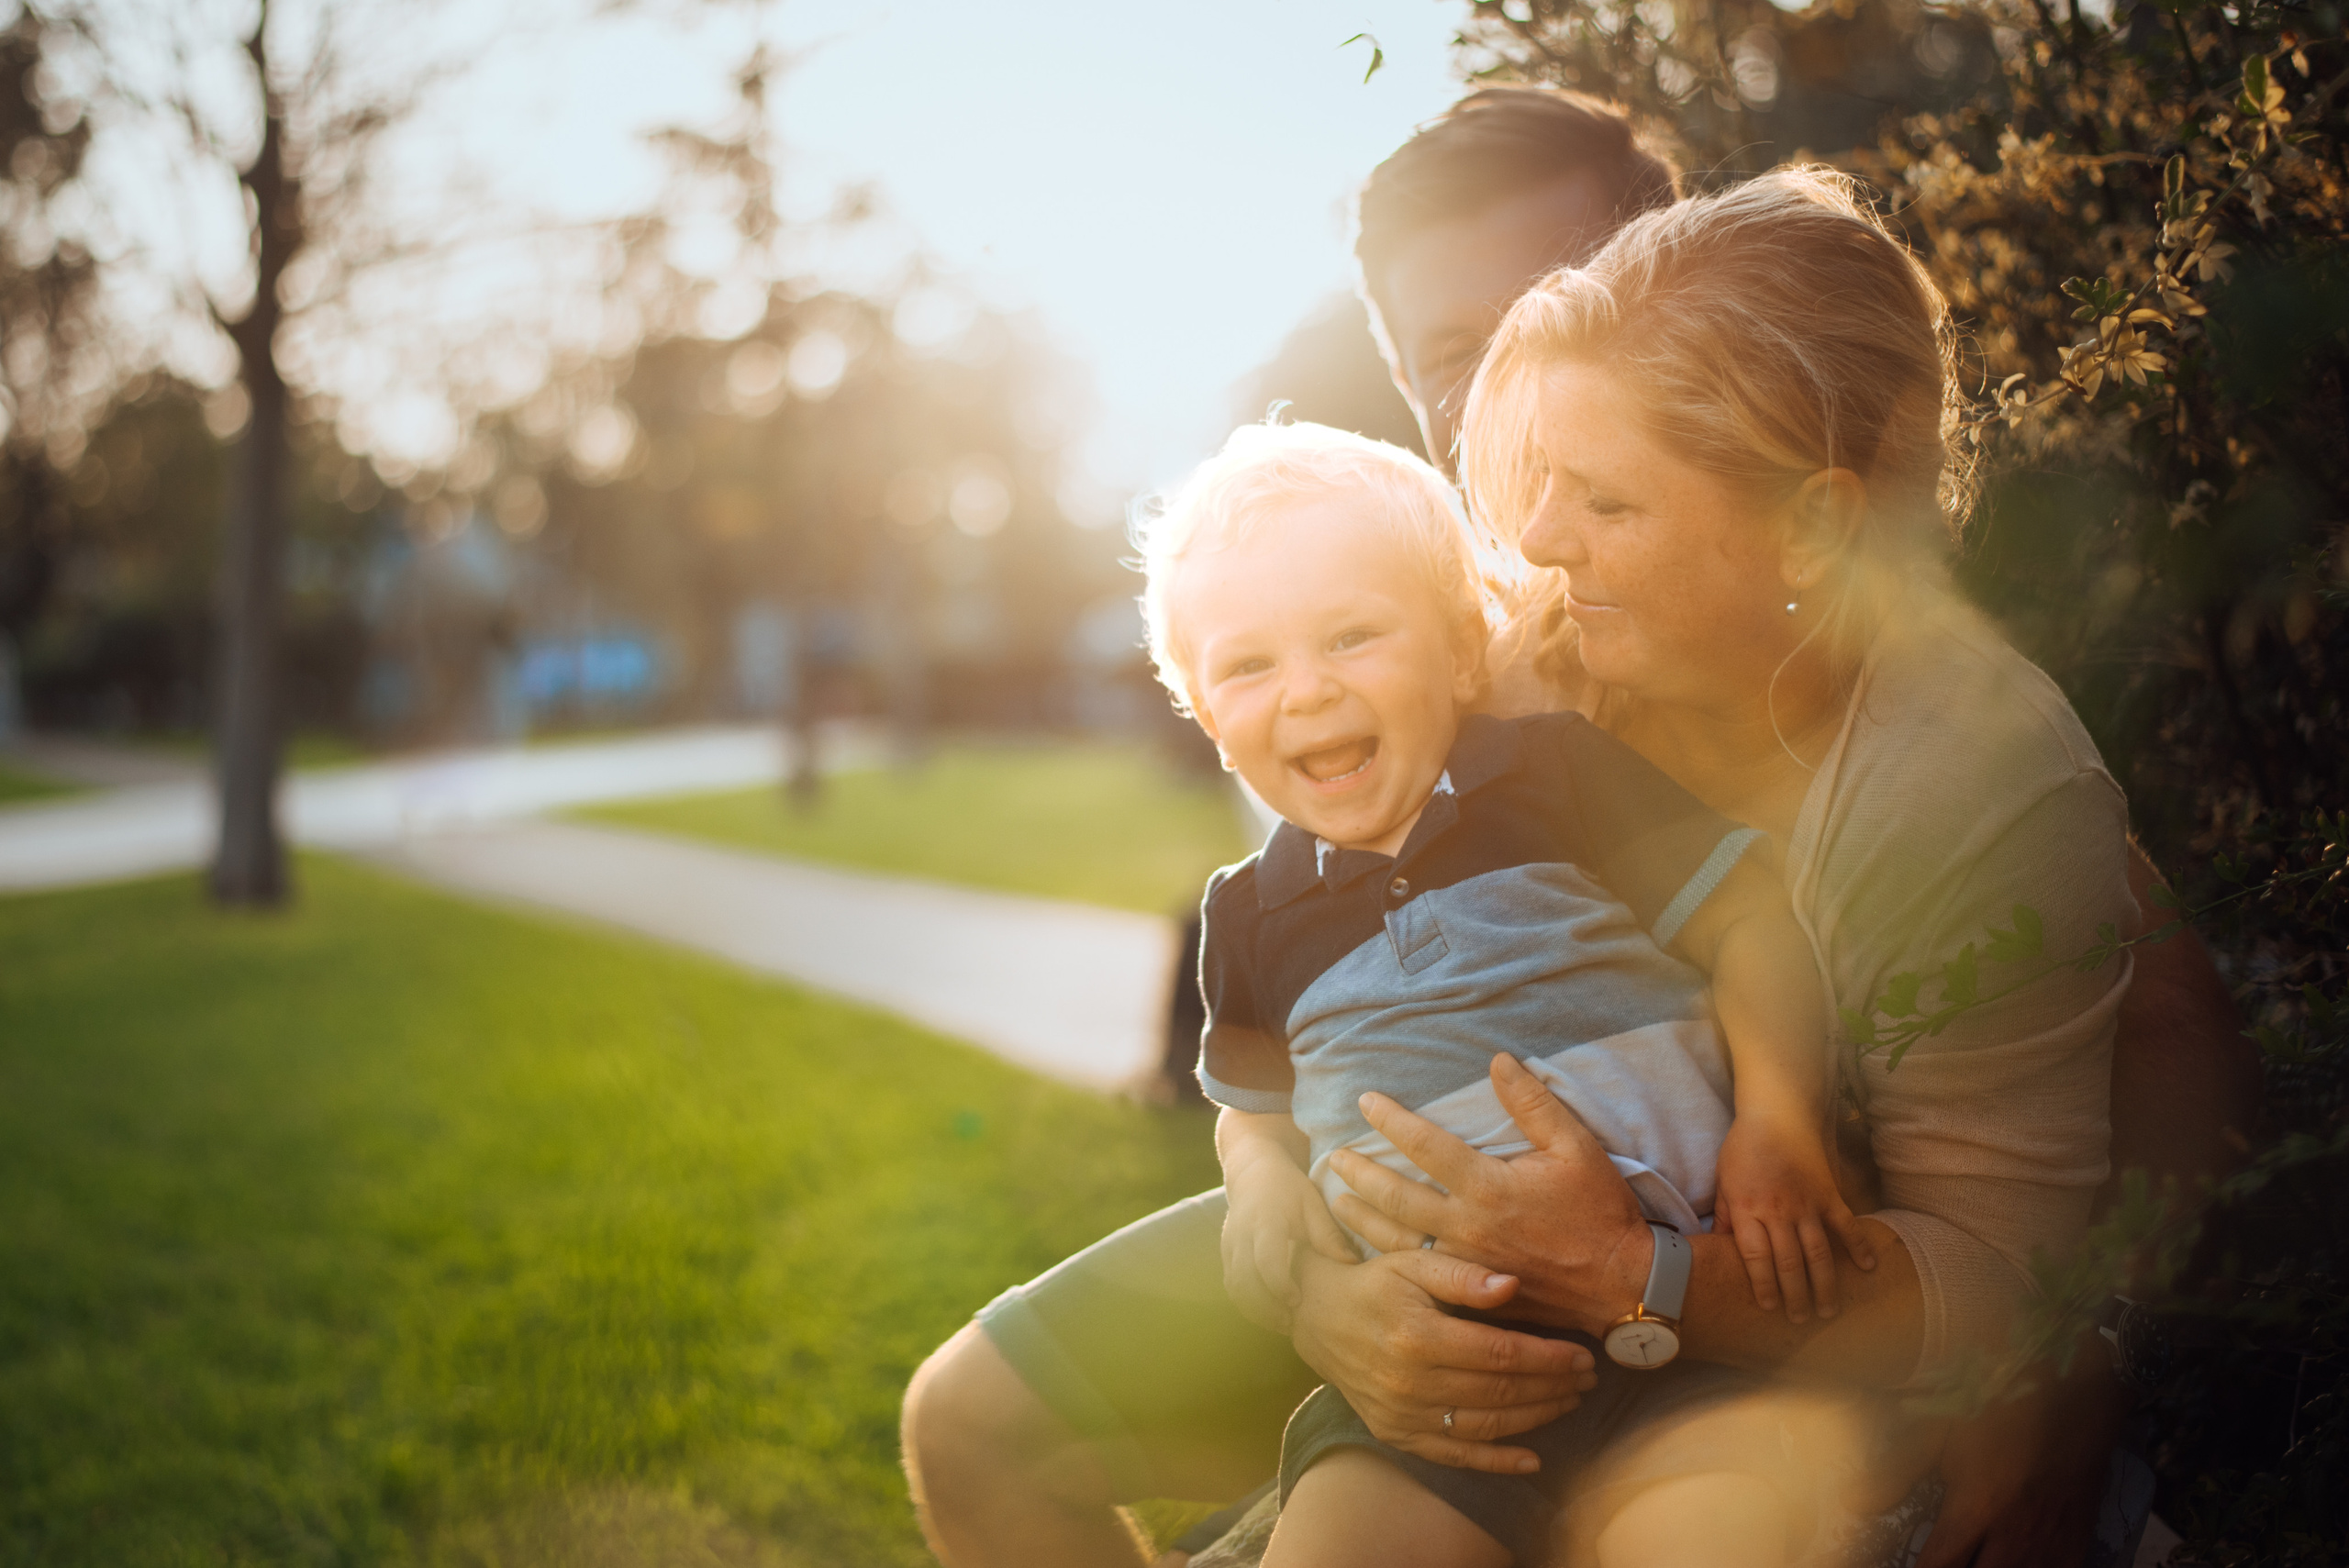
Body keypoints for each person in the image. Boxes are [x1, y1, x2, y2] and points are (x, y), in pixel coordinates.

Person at [902, 91, 2258, 1568]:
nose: (1534, 527)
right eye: (1455, 363)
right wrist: (1323, 1296)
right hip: (1466, 1254)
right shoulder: (1482, 645)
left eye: (1602, 490)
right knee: (968, 1416)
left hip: (1746, 1301)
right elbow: (1319, 1045)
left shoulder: (1960, 775)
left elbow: (2124, 1082)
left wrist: (1646, 1272)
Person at [1138, 417, 1868, 1565]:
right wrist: (1256, 1186)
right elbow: (1252, 1104)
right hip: (1438, 1388)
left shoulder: (1554, 774)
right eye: (1247, 664)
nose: (1307, 691)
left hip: (1701, 1341)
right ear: (1208, 718)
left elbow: (1752, 924)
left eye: (1350, 636)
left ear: (1463, 652)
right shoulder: (1244, 916)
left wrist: (1781, 1117)